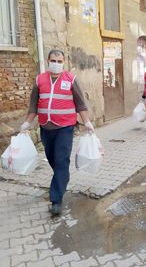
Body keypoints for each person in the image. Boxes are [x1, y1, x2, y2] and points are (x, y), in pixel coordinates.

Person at [20, 49, 94, 216]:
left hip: (65, 128)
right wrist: (27, 122)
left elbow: (80, 104)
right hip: (46, 127)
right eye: (54, 60)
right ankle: (62, 179)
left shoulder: (70, 79)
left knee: (61, 161)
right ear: (48, 61)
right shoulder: (40, 80)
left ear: (64, 63)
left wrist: (87, 122)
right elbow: (33, 105)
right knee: (54, 160)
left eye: (60, 61)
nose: (56, 64)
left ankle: (56, 200)